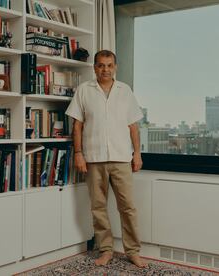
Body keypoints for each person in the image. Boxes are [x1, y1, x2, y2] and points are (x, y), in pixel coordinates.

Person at [65, 50, 147, 268]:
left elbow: (133, 127)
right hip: (94, 158)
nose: (105, 69)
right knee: (98, 207)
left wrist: (137, 154)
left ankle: (133, 251)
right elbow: (77, 126)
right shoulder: (84, 90)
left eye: (109, 65)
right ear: (94, 67)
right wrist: (78, 153)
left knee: (127, 207)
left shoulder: (125, 91)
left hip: (121, 158)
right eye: (101, 65)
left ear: (115, 67)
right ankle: (106, 250)